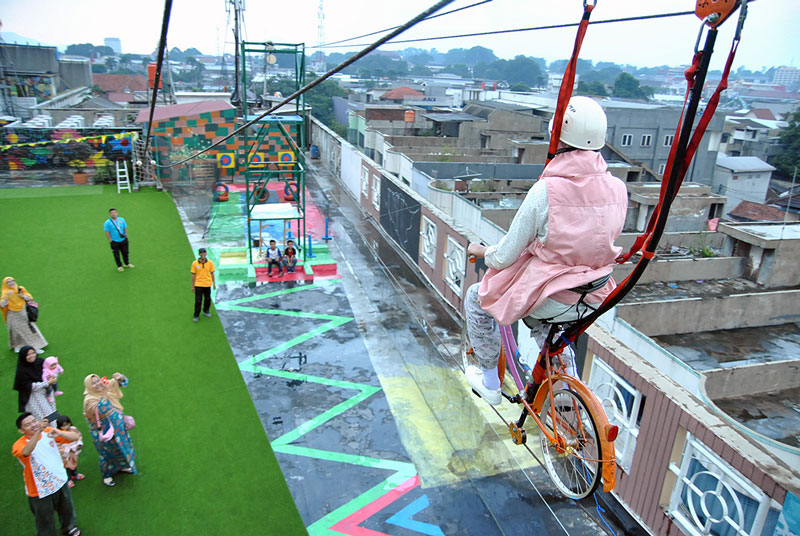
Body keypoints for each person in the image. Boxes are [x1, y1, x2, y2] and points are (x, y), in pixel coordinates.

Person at [464, 96, 628, 405]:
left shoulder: (546, 192)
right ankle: (568, 395)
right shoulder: (618, 187)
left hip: (554, 295)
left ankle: (488, 383)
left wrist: (482, 251)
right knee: (551, 329)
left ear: (558, 138)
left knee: (477, 298)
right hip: (596, 293)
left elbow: (504, 256)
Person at [13, 412, 82, 536]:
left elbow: (74, 437)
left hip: (59, 480)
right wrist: (39, 431)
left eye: (34, 421)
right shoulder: (19, 445)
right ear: (21, 430)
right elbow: (26, 451)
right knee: (44, 518)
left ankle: (69, 527)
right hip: (39, 489)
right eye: (28, 425)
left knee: (66, 509)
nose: (33, 425)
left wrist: (60, 433)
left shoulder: (48, 431)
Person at [83, 373, 137, 486]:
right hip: (104, 430)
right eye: (93, 383)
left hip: (117, 426)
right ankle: (107, 475)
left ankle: (123, 466)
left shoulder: (105, 386)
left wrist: (120, 378)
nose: (98, 384)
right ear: (88, 386)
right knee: (107, 451)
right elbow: (101, 410)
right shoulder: (89, 400)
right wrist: (104, 393)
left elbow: (122, 382)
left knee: (121, 446)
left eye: (98, 380)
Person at [1, 276, 48, 353]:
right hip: (12, 315)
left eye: (12, 281)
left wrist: (22, 296)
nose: (11, 283)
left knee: (28, 330)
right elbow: (2, 305)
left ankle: (35, 347)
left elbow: (29, 298)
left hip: (23, 313)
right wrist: (7, 297)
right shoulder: (5, 293)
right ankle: (18, 345)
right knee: (16, 332)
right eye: (8, 282)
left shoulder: (20, 289)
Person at [14, 346, 58, 421]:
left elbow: (52, 369)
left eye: (33, 353)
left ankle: (55, 430)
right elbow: (29, 386)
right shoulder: (22, 370)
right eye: (28, 355)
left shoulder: (40, 361)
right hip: (34, 395)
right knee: (45, 418)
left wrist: (53, 377)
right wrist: (47, 383)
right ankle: (50, 431)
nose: (31, 356)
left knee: (53, 412)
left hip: (48, 391)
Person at [54, 415, 84, 488]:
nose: (67, 427)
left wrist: (78, 444)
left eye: (68, 424)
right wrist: (66, 450)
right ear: (59, 426)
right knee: (67, 466)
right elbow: (58, 445)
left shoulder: (73, 429)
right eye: (64, 426)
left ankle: (75, 474)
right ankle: (69, 479)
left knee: (74, 462)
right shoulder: (58, 434)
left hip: (73, 450)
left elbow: (78, 436)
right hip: (65, 454)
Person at [104, 208, 134, 272]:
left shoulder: (122, 219)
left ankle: (127, 263)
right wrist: (110, 240)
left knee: (125, 252)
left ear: (117, 213)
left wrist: (126, 235)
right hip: (114, 241)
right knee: (116, 254)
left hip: (123, 240)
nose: (113, 214)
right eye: (112, 213)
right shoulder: (107, 222)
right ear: (110, 214)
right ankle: (119, 266)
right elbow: (107, 232)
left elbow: (125, 227)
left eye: (114, 212)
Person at [191, 247, 216, 323]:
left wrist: (214, 283)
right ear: (199, 254)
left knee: (208, 299)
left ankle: (206, 311)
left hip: (207, 284)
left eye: (204, 252)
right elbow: (193, 275)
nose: (203, 254)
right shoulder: (195, 263)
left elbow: (212, 273)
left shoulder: (210, 263)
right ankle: (196, 315)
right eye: (201, 253)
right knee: (198, 300)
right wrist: (193, 286)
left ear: (206, 253)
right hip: (198, 284)